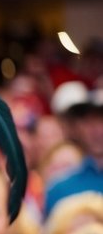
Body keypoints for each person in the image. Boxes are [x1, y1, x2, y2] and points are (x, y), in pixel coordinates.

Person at [45, 82, 103, 216]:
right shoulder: (59, 189)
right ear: (77, 127)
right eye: (88, 122)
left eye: (102, 120)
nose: (97, 130)